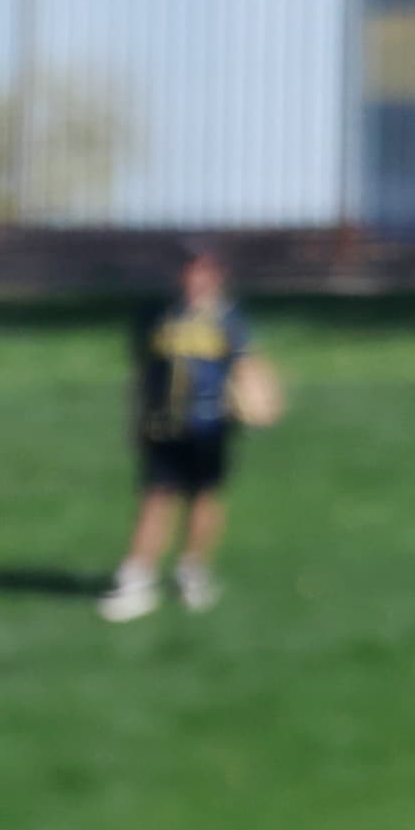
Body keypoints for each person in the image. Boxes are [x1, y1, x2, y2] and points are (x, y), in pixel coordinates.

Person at [99, 244, 260, 622]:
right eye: (190, 270)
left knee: (204, 498)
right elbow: (142, 373)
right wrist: (136, 420)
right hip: (163, 425)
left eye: (204, 270)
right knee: (156, 498)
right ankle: (138, 578)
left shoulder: (229, 319)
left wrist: (254, 404)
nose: (195, 278)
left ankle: (193, 571)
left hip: (209, 427)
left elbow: (247, 367)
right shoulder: (157, 316)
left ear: (217, 275)